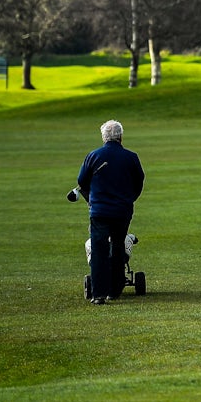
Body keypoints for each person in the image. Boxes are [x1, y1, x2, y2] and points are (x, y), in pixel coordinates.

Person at [76, 119, 145, 304]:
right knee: (117, 245)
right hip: (122, 210)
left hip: (99, 210)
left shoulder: (93, 156)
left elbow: (82, 181)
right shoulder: (131, 157)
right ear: (121, 136)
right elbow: (139, 183)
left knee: (99, 250)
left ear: (103, 137)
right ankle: (114, 290)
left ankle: (98, 294)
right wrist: (129, 199)